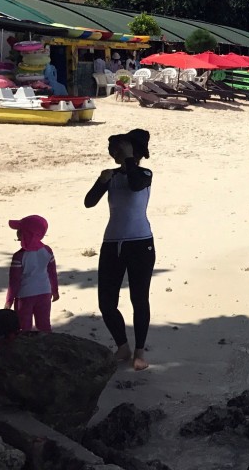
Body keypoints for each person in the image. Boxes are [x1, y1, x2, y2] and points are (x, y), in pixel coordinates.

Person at [84, 129, 155, 371]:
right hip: (112, 244)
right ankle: (122, 346)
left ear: (134, 152)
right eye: (115, 149)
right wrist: (101, 181)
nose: (115, 152)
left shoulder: (145, 174)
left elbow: (136, 184)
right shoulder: (110, 176)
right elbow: (89, 202)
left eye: (121, 148)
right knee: (106, 301)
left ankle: (139, 351)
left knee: (139, 298)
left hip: (141, 243)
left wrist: (128, 160)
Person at [4, 215, 59, 332]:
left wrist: (9, 301)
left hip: (25, 295)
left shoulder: (19, 256)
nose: (17, 233)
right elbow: (52, 273)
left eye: (19, 230)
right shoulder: (47, 251)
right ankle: (47, 347)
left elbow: (14, 281)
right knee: (44, 326)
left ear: (25, 234)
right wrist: (55, 291)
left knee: (24, 328)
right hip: (45, 292)